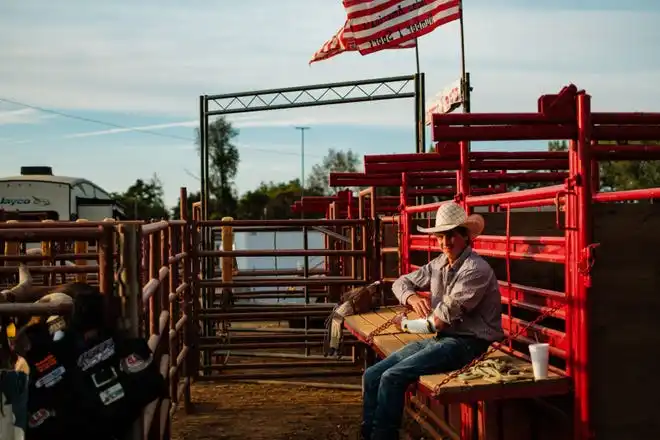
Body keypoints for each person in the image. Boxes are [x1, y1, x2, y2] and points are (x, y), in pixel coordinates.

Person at [361, 202, 504, 440]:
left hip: (468, 344)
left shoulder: (475, 269)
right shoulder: (438, 263)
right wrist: (412, 296)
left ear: (465, 236)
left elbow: (438, 323)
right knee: (372, 375)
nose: (445, 243)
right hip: (444, 340)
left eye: (451, 236)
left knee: (392, 377)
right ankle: (369, 434)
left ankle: (382, 436)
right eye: (440, 237)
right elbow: (400, 282)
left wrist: (403, 325)